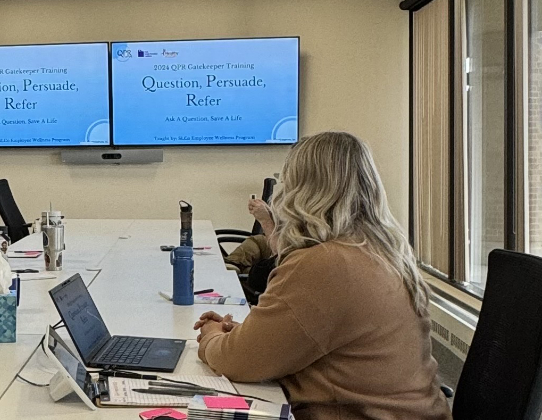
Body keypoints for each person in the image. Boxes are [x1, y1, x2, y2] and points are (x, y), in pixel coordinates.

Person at [193, 132, 451, 419]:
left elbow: (238, 362)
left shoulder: (325, 263)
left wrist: (211, 336)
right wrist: (251, 335)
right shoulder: (382, 251)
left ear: (300, 189)